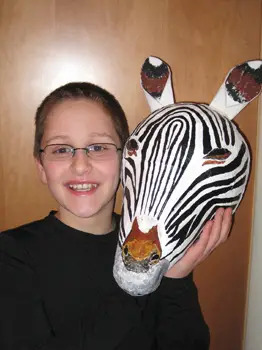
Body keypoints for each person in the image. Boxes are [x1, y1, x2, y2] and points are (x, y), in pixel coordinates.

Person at [0, 82, 232, 350]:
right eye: (61, 149)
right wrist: (139, 276)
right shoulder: (12, 254)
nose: (80, 165)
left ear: (127, 161)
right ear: (41, 167)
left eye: (98, 147)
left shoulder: (157, 241)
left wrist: (176, 280)